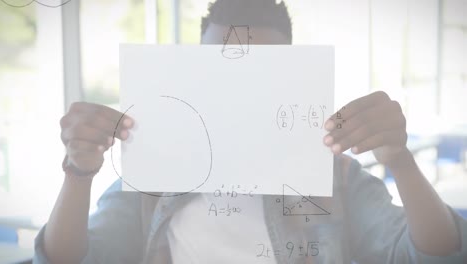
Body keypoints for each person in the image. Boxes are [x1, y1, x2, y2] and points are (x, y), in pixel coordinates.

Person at [34, 0, 466, 263]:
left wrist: (400, 160)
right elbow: (71, 259)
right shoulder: (152, 178)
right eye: (220, 68)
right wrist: (78, 171)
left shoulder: (336, 178)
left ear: (292, 77)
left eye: (262, 73)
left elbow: (430, 255)